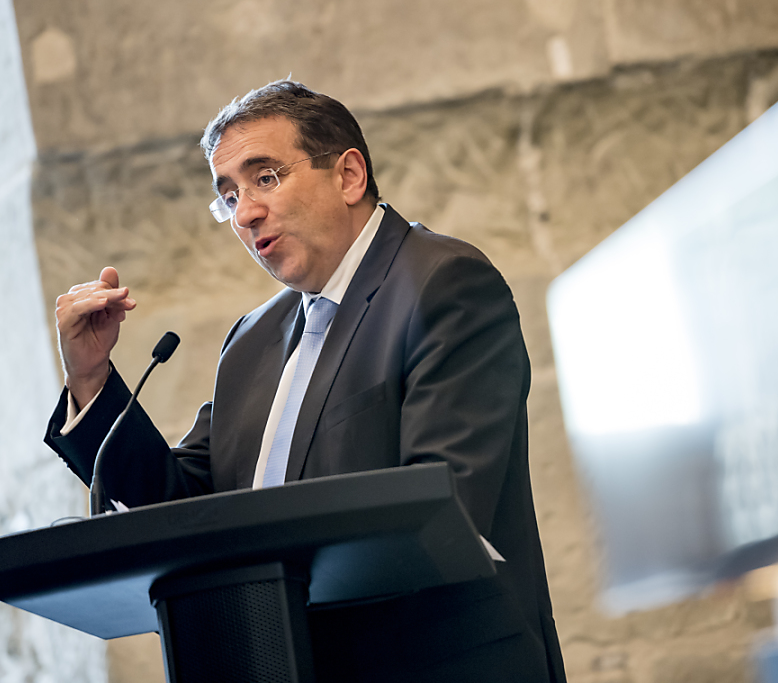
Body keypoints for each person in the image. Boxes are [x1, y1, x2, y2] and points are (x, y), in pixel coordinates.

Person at [45, 80, 566, 682]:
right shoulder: (252, 339)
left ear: (348, 175)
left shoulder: (444, 285)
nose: (245, 213)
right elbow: (184, 510)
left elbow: (442, 515)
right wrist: (90, 379)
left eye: (265, 177)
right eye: (228, 196)